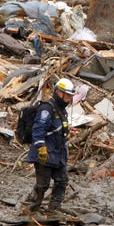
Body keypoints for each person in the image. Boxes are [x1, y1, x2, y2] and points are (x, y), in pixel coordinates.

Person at [25, 77, 75, 214]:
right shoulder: (46, 109)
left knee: (62, 181)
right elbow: (38, 129)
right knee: (43, 185)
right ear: (59, 93)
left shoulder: (61, 110)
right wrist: (41, 148)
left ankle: (53, 210)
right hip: (45, 153)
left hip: (58, 154)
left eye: (71, 96)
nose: (69, 99)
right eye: (68, 96)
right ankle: (32, 209)